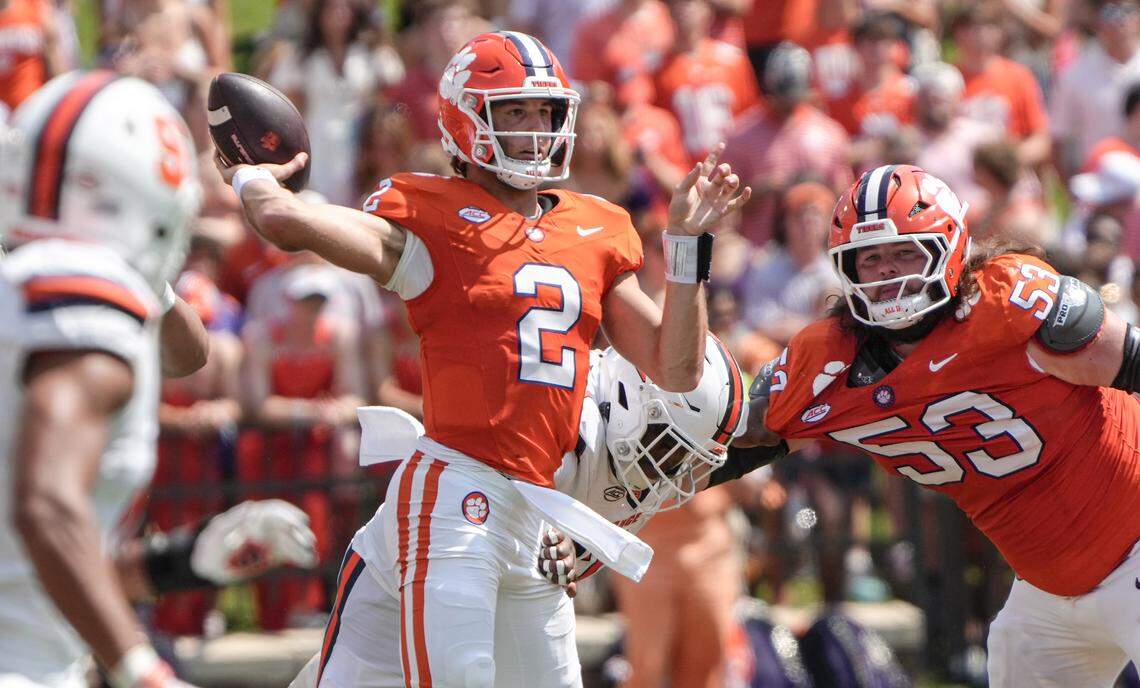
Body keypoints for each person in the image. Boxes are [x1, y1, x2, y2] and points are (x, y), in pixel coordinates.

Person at [214, 30, 749, 687]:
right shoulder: (430, 215)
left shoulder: (598, 227)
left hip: (537, 510)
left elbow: (676, 372)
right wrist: (251, 173)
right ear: (465, 120)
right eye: (513, 111)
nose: (533, 130)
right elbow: (288, 221)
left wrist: (689, 246)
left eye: (545, 112)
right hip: (454, 489)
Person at [734, 164, 1140, 687]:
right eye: (871, 258)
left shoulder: (1007, 303)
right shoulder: (828, 363)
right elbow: (731, 442)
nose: (888, 272)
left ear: (948, 247)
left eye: (905, 251)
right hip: (1047, 593)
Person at [0, 71, 316, 688]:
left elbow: (35, 565)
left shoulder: (45, 280)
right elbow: (45, 508)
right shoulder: (80, 298)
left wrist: (183, 560)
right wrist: (142, 670)